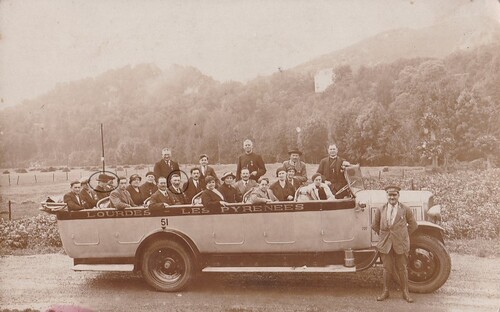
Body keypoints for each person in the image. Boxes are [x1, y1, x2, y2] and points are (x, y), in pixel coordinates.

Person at [372, 185, 418, 303]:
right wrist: (384, 236)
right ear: (386, 195)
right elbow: (375, 225)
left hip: (400, 244)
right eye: (390, 195)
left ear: (398, 196)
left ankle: (405, 293)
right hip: (385, 243)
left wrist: (403, 235)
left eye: (394, 195)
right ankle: (385, 292)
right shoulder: (380, 209)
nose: (392, 197)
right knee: (387, 268)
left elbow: (413, 225)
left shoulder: (405, 209)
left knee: (402, 268)